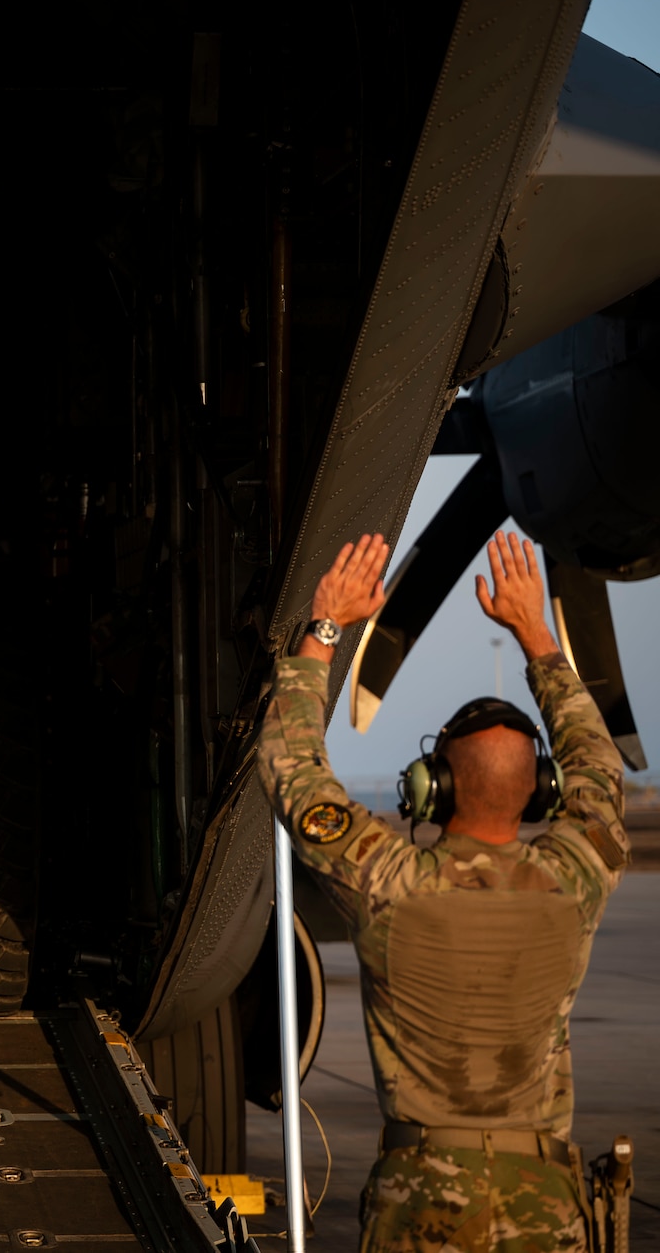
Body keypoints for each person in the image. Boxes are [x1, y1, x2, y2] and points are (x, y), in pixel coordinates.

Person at [260, 531, 628, 1252]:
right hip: (544, 1206)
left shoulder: (392, 883)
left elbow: (293, 770)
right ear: (538, 793)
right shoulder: (572, 882)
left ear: (435, 789)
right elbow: (600, 774)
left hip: (420, 1201)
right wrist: (536, 635)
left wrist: (326, 626)